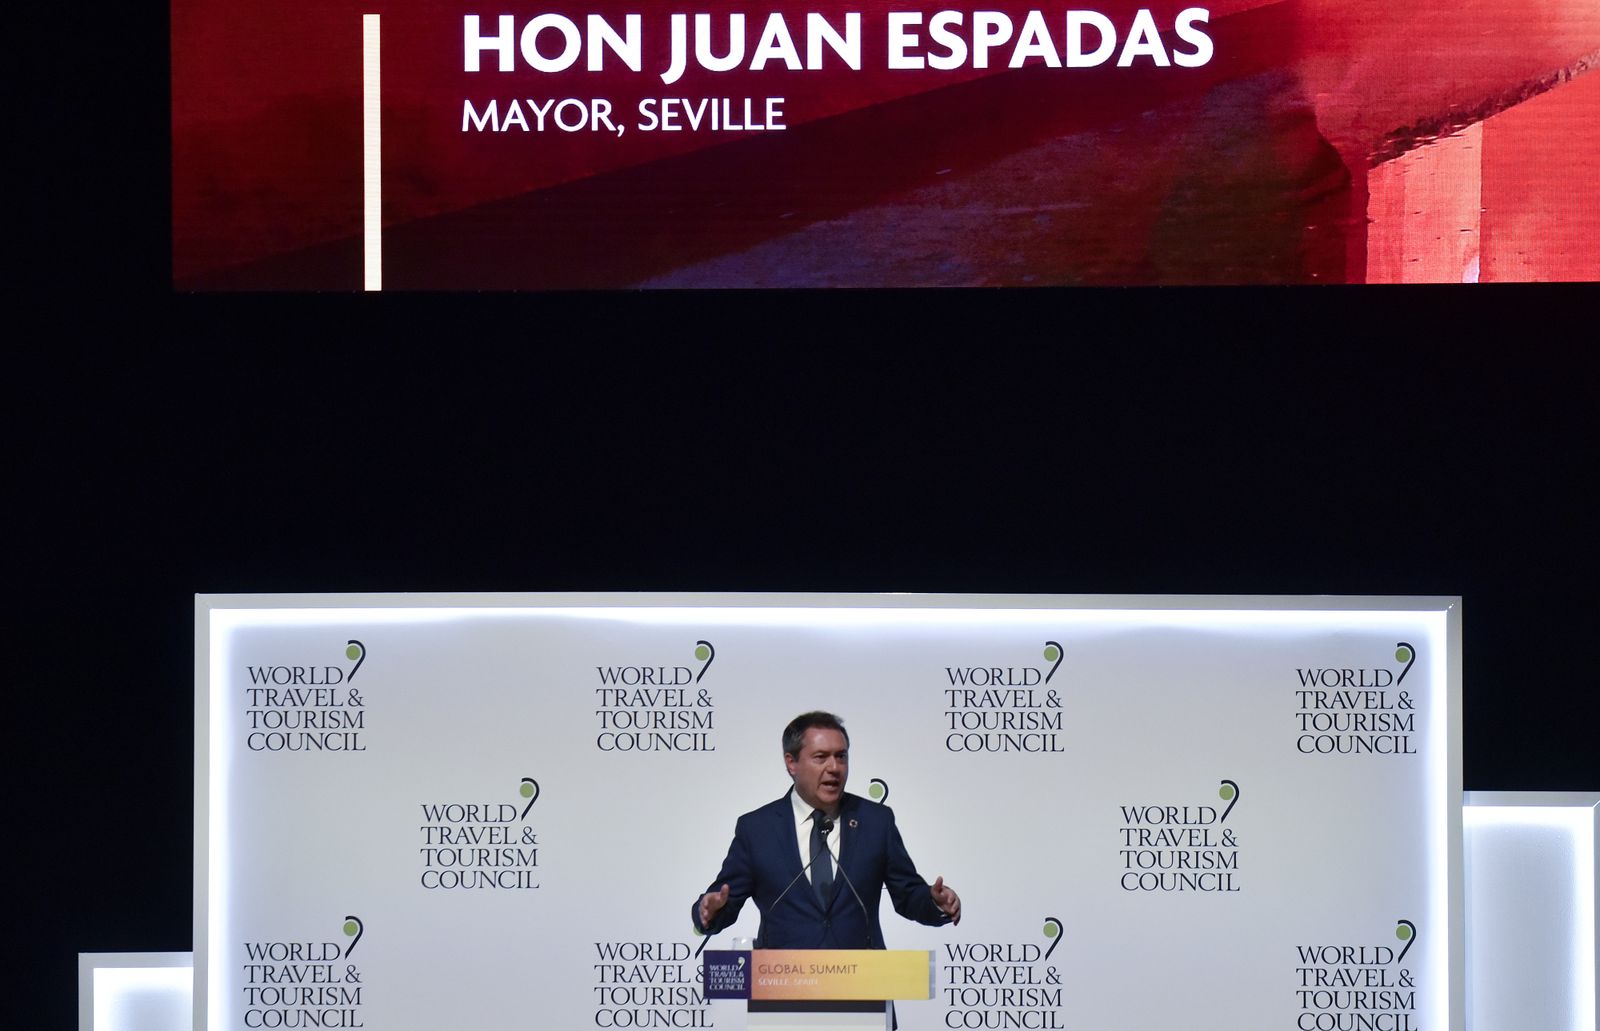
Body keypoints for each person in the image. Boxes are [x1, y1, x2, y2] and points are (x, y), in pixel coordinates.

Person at [692, 711, 961, 949]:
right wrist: (710, 910)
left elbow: (907, 895)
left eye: (841, 757)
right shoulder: (757, 829)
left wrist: (935, 902)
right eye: (821, 757)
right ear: (791, 763)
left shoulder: (875, 821)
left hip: (865, 989)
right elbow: (722, 900)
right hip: (781, 992)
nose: (834, 768)